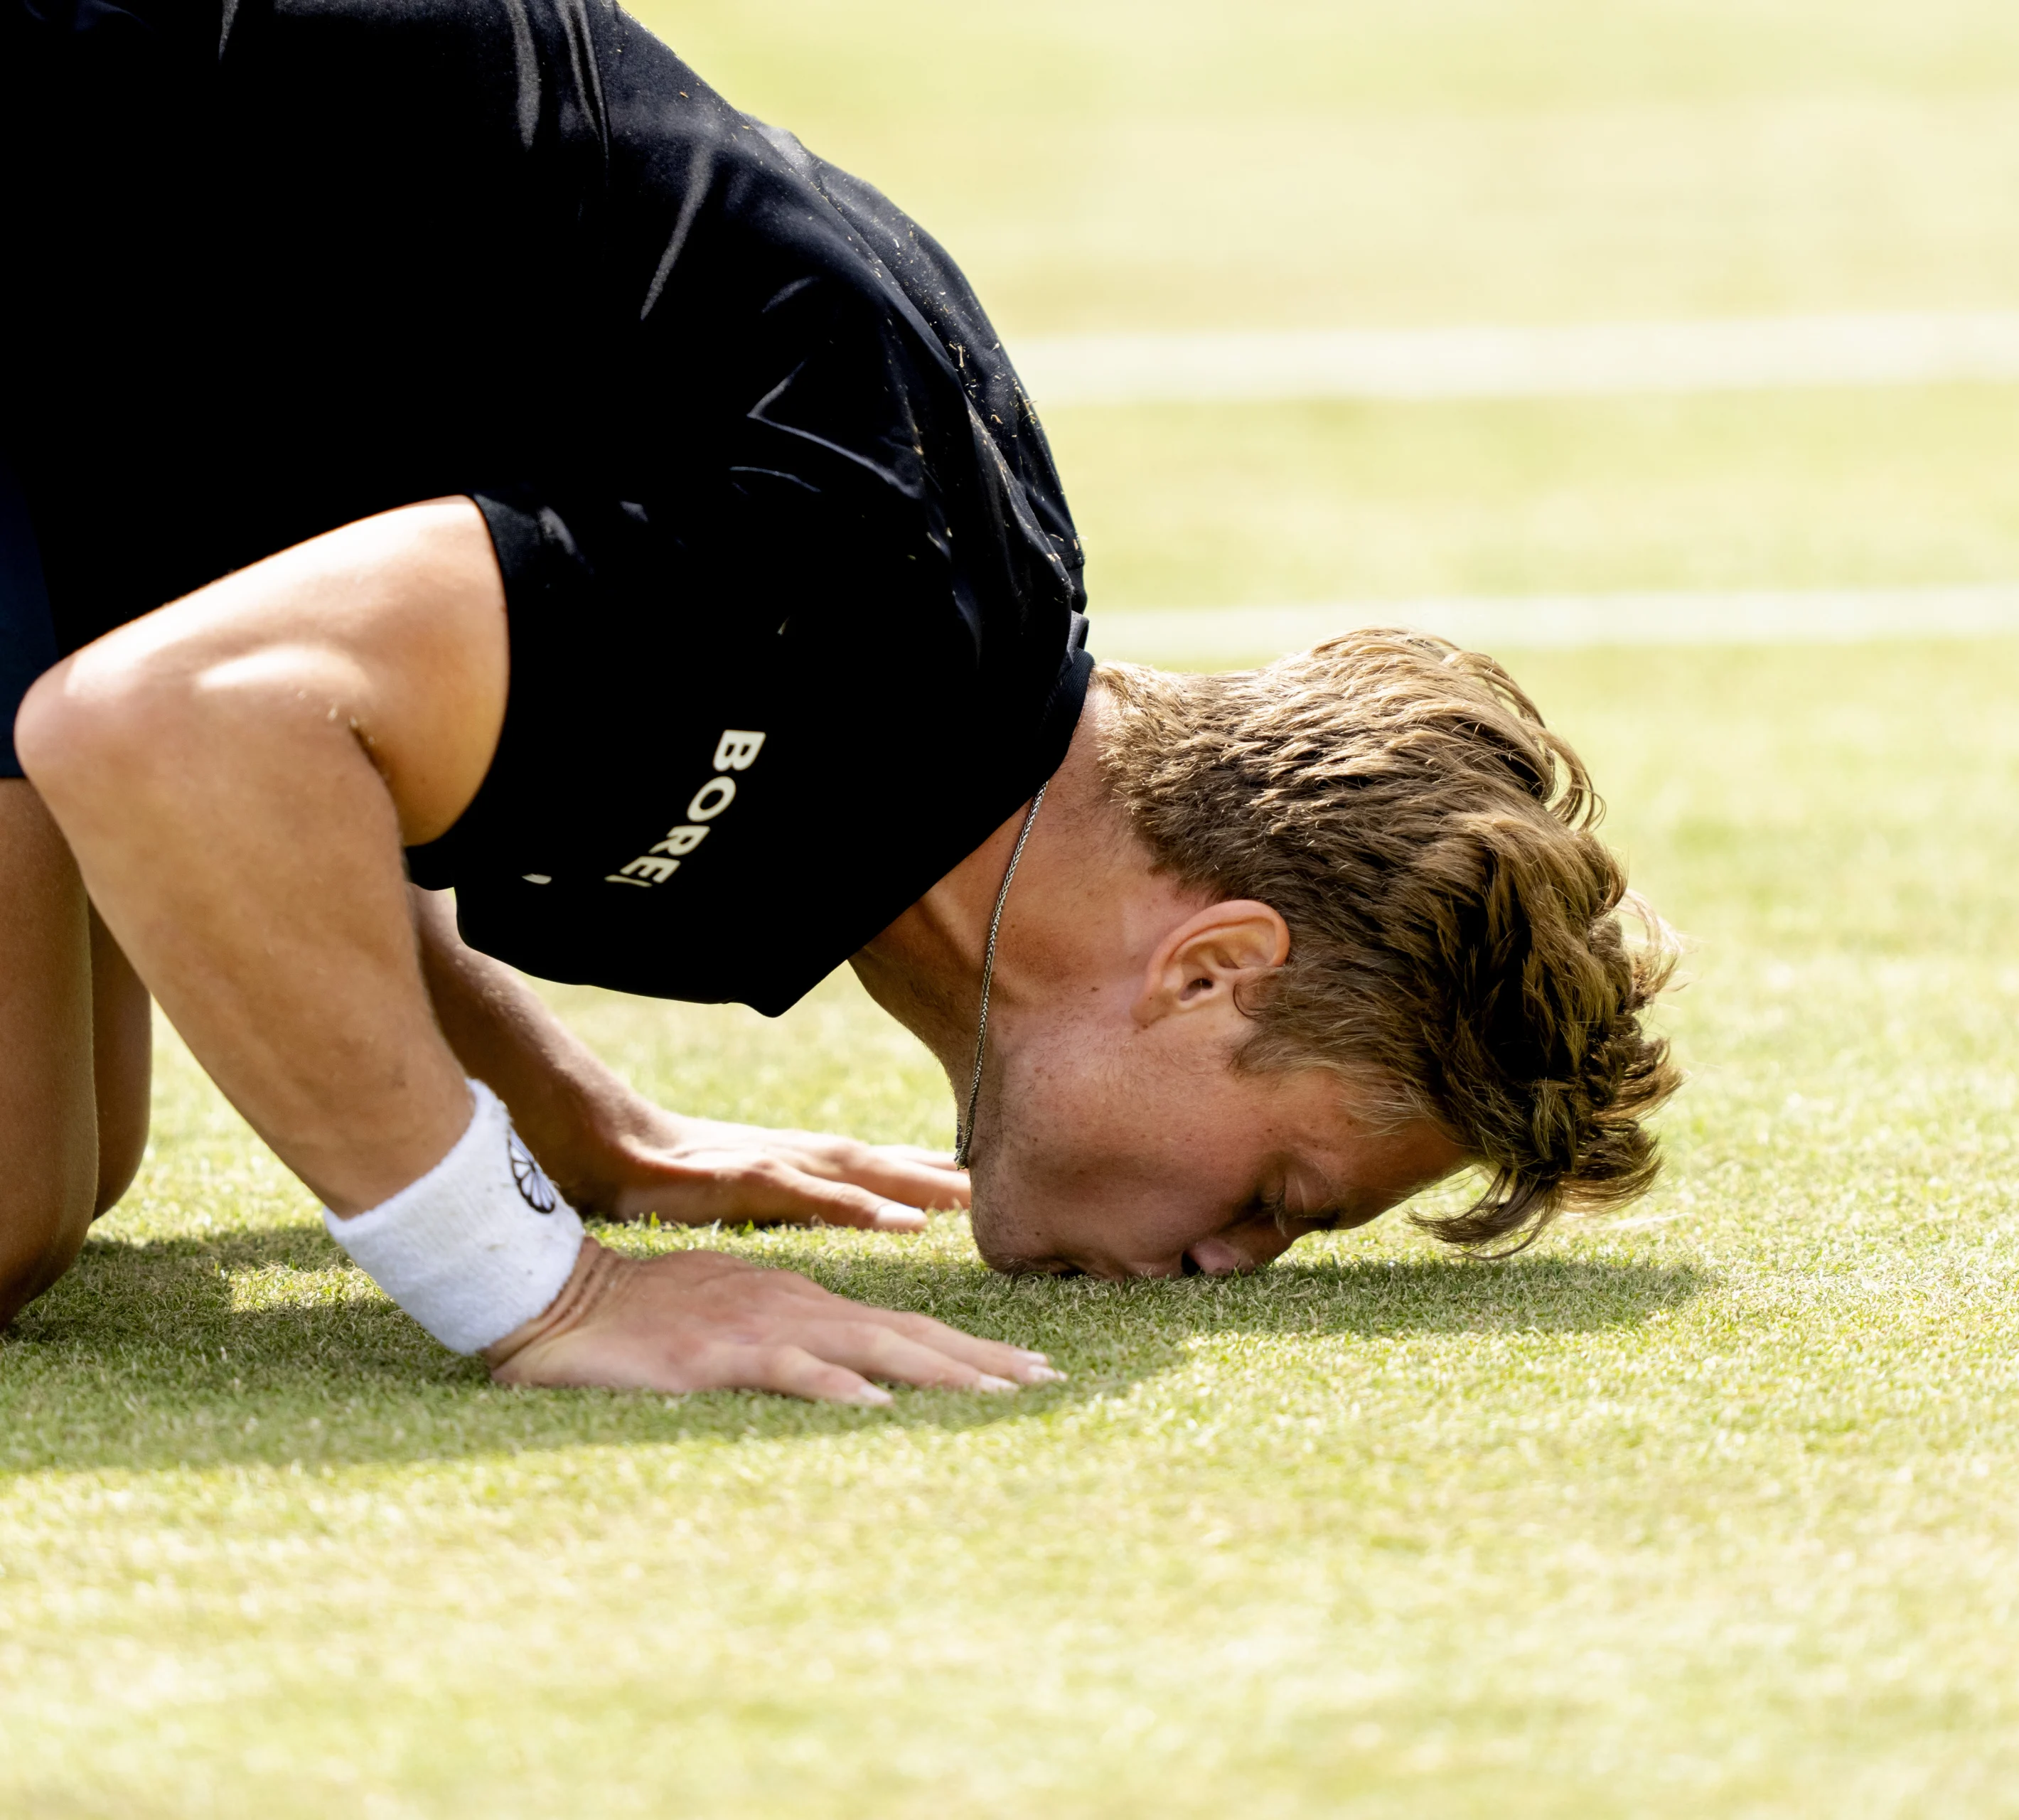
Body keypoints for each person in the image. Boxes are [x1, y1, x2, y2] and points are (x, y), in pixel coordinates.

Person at [0, 0, 1679, 1401]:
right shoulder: (840, 593)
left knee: (73, 1162)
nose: (1236, 1259)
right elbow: (172, 730)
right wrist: (540, 1286)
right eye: (1285, 1194)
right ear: (1212, 965)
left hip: (75, 354)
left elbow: (346, 725)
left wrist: (568, 1122)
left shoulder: (927, 710)